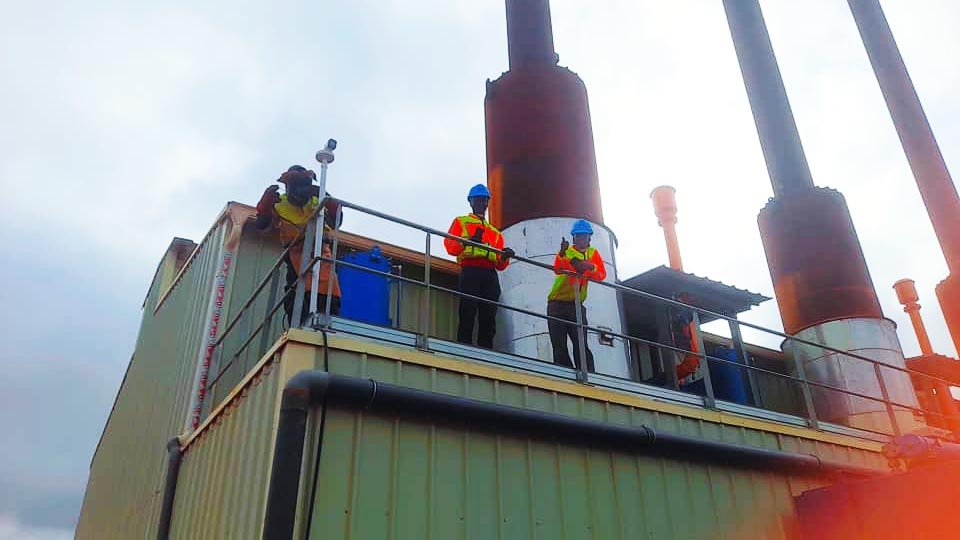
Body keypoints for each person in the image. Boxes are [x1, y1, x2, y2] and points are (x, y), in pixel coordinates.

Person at [255, 165, 341, 325]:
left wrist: (327, 199)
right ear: (287, 186)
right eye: (296, 185)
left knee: (329, 294)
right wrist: (265, 206)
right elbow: (261, 225)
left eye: (304, 185)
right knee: (297, 295)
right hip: (296, 255)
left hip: (322, 254)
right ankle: (299, 324)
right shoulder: (280, 203)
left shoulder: (318, 200)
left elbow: (337, 221)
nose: (300, 190)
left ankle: (327, 323)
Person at [444, 184, 515, 348]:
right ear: (471, 202)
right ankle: (464, 347)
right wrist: (466, 242)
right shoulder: (461, 221)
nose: (481, 203)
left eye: (484, 200)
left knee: (489, 315)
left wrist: (505, 256)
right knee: (467, 311)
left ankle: (486, 349)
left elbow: (499, 264)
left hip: (490, 274)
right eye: (478, 200)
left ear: (487, 203)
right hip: (470, 270)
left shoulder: (495, 233)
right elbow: (449, 245)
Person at [547, 219, 606, 373]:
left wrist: (587, 267)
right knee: (559, 345)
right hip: (557, 303)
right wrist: (562, 254)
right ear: (573, 238)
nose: (581, 239)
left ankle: (588, 375)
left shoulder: (593, 253)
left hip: (576, 305)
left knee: (581, 344)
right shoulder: (566, 251)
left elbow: (601, 274)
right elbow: (558, 269)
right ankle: (564, 375)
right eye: (578, 236)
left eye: (584, 236)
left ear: (589, 238)